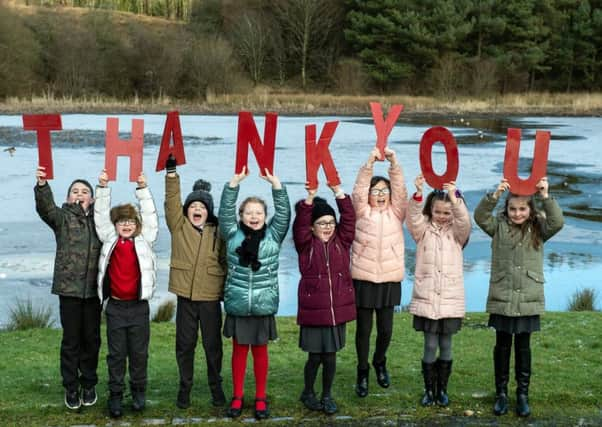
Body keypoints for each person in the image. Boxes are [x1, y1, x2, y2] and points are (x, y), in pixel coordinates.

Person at [474, 177, 563, 417]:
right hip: (503, 296)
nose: (517, 213)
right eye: (512, 208)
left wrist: (545, 196)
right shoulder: (498, 226)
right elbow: (480, 217)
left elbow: (557, 222)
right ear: (506, 208)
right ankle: (501, 394)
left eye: (522, 209)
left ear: (530, 209)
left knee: (523, 347)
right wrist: (494, 196)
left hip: (528, 297)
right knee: (502, 347)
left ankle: (522, 395)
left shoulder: (539, 228)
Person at [218, 166, 291, 420]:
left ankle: (260, 398)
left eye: (258, 212)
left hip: (262, 305)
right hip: (238, 304)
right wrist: (233, 184)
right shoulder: (231, 234)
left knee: (260, 352)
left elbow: (284, 215)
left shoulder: (273, 235)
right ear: (241, 215)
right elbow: (224, 213)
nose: (254, 216)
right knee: (239, 352)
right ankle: (237, 397)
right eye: (248, 212)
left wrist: (277, 186)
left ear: (264, 215)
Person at [34, 166, 102, 410]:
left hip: (94, 291)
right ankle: (71, 388)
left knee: (92, 340)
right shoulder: (62, 218)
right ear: (68, 197)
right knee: (71, 341)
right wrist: (42, 186)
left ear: (92, 198)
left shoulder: (101, 219)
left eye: (85, 191)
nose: (80, 194)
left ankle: (89, 383)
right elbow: (45, 209)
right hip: (69, 291)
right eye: (75, 191)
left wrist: (104, 187)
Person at [163, 156, 227, 409]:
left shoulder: (219, 230)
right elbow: (171, 202)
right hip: (186, 298)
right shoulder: (178, 226)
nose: (197, 209)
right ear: (186, 210)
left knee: (213, 346)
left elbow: (226, 260)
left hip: (211, 298)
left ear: (209, 210)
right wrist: (171, 174)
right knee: (185, 344)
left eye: (202, 206)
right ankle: (184, 387)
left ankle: (216, 386)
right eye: (192, 206)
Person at [94, 169, 158, 418]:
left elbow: (151, 217)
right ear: (116, 225)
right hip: (116, 308)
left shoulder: (145, 239)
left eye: (131, 221)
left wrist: (142, 189)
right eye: (122, 222)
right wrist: (102, 187)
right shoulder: (109, 238)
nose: (126, 225)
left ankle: (139, 392)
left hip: (139, 308)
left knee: (139, 353)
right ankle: (116, 395)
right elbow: (100, 217)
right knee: (116, 355)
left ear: (137, 225)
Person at [406, 175, 471, 407]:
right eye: (438, 212)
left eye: (447, 213)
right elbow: (413, 218)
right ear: (430, 211)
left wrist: (456, 199)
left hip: (450, 299)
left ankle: (442, 389)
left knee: (446, 345)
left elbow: (464, 221)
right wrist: (417, 193)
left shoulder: (457, 234)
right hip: (428, 297)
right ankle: (428, 390)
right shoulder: (422, 231)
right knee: (430, 344)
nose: (442, 217)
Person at [293, 183, 356, 415]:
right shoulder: (305, 245)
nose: (328, 227)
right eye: (322, 223)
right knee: (315, 357)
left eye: (331, 222)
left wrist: (339, 192)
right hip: (314, 310)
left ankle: (327, 394)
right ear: (312, 227)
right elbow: (299, 225)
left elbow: (349, 217)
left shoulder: (343, 241)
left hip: (336, 311)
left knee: (330, 356)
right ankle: (308, 392)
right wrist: (309, 200)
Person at [350, 147, 408, 397]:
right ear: (370, 195)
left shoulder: (397, 213)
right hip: (363, 278)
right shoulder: (361, 212)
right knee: (363, 330)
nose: (381, 195)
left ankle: (379, 362)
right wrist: (369, 163)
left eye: (385, 191)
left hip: (389, 278)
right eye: (376, 191)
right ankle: (362, 371)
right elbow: (357, 191)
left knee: (385, 330)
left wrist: (393, 161)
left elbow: (402, 190)